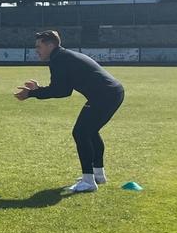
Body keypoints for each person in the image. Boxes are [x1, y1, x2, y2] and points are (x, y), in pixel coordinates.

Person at [15, 30, 125, 193]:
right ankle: (98, 175)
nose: (36, 50)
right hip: (112, 93)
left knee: (80, 133)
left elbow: (61, 91)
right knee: (90, 132)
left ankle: (88, 181)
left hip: (104, 96)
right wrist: (38, 90)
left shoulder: (59, 59)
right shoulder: (62, 56)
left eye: (39, 46)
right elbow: (63, 89)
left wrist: (32, 93)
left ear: (50, 45)